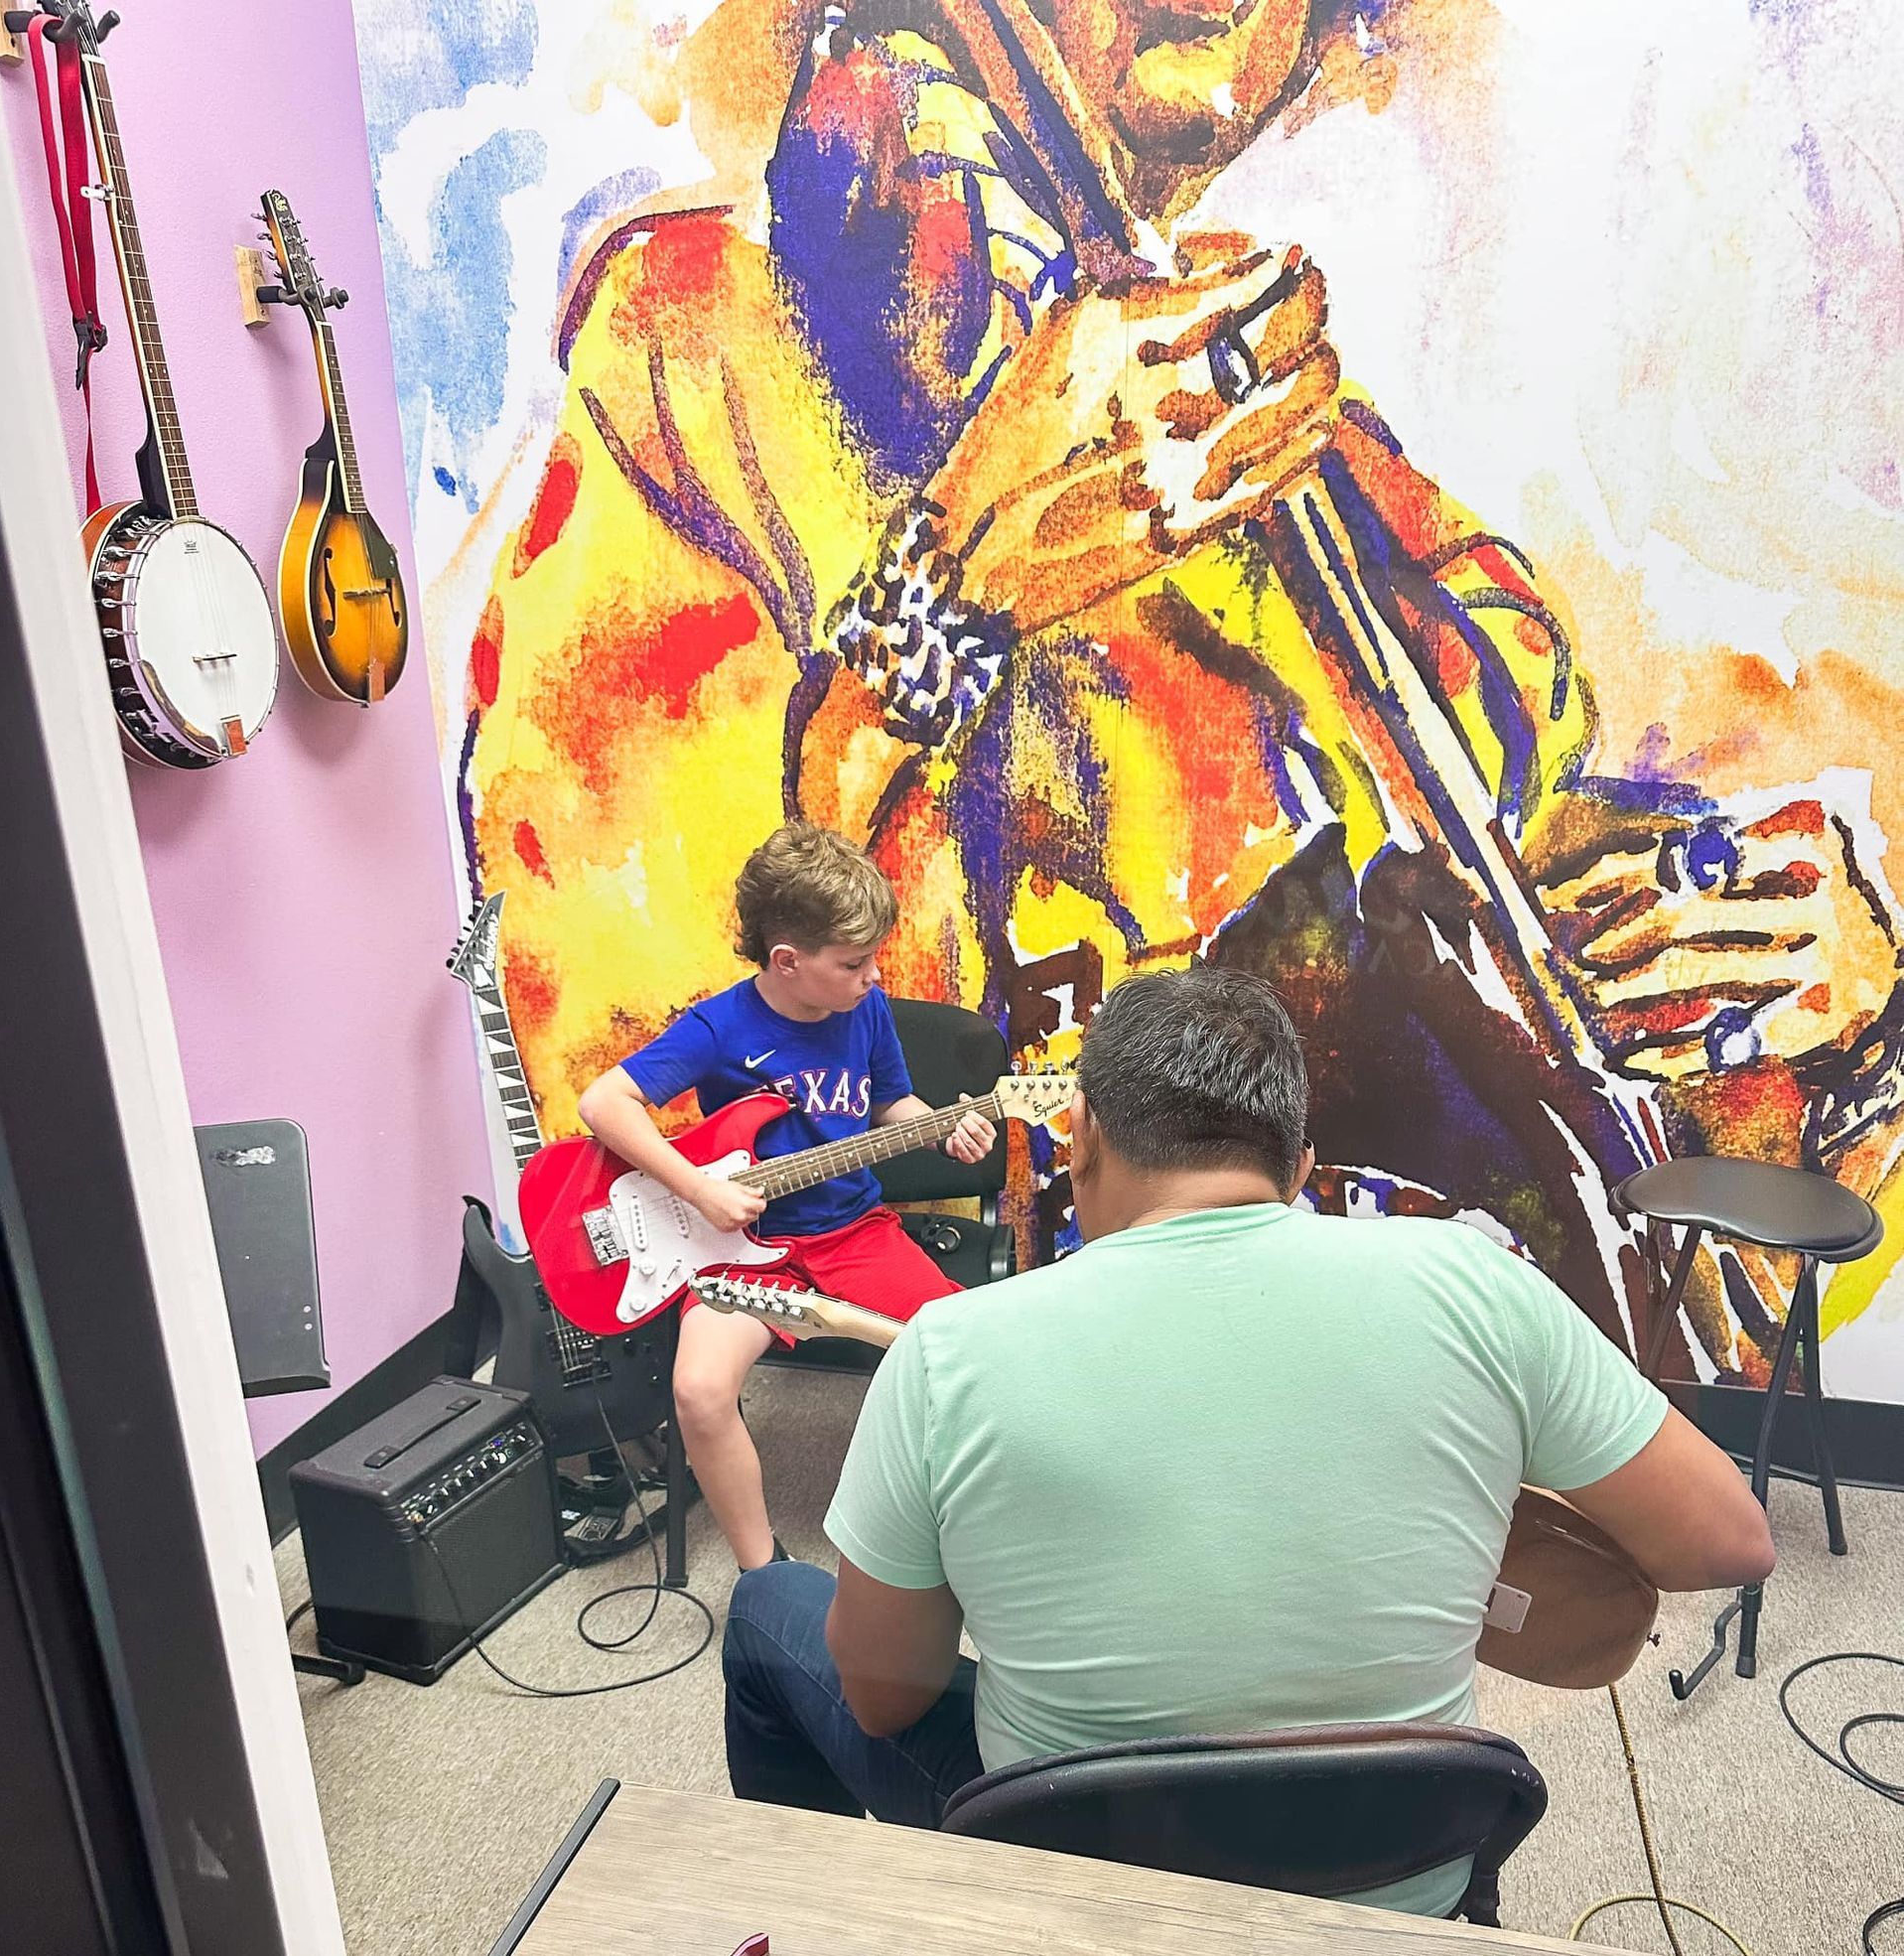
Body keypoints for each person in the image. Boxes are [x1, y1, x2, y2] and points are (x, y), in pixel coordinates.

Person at [466, 0, 1904, 1380]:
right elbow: (646, 1102)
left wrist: (1793, 979)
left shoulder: (1240, 389)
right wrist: (948, 591)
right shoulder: (696, 349)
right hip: (1061, 1363)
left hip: (1368, 1365)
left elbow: (1474, 825)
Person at [721, 964, 1776, 1916]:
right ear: (1300, 1163)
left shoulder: (949, 1350)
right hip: (1398, 1887)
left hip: (1085, 1893)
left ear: (1080, 1137)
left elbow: (885, 1698)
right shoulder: (1473, 1285)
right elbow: (1728, 1543)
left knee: (769, 1607)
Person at [576, 822, 995, 1571]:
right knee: (700, 1391)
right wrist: (699, 1189)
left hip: (852, 1230)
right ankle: (761, 1571)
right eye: (854, 963)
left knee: (971, 1359)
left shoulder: (863, 1011)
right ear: (788, 961)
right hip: (739, 1250)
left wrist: (943, 1130)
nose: (873, 978)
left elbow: (888, 1103)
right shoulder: (719, 1027)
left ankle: (950, 1540)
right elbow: (604, 1103)